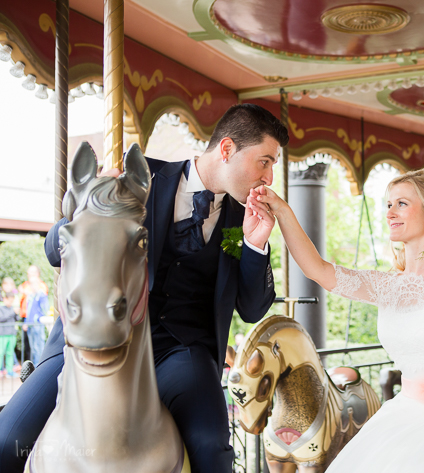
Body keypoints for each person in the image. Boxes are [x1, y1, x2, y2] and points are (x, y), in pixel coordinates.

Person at [0, 103, 288, 473]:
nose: (268, 177)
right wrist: (88, 206)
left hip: (179, 351)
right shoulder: (141, 179)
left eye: (273, 166)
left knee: (209, 444)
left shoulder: (237, 220)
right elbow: (55, 249)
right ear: (228, 149)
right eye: (264, 161)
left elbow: (250, 309)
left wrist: (254, 245)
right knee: (9, 441)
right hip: (92, 334)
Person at [249, 169, 424, 472]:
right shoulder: (387, 285)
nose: (390, 213)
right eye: (388, 205)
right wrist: (282, 211)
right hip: (404, 412)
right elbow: (318, 269)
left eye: (402, 204)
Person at [19, 266, 48, 366]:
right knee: (33, 347)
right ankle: (36, 365)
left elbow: (45, 309)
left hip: (37, 324)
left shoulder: (42, 295)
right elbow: (28, 310)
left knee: (39, 346)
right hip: (30, 324)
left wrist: (37, 318)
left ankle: (40, 366)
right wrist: (26, 322)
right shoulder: (31, 296)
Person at [0, 292, 18, 377]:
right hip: (3, 334)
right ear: (5, 299)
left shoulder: (12, 308)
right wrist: (13, 312)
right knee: (1, 352)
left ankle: (9, 370)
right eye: (9, 300)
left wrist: (17, 313)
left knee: (10, 353)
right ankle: (0, 369)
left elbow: (17, 319)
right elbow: (2, 318)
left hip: (11, 333)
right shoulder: (1, 308)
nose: (10, 303)